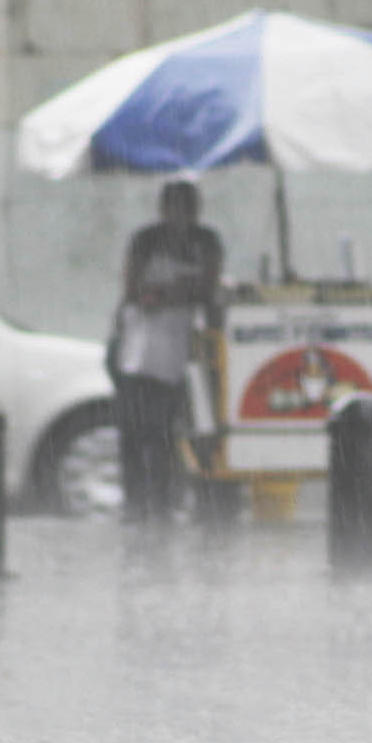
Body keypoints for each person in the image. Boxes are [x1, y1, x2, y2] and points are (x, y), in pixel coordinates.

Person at [111, 180, 223, 523]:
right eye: (172, 208)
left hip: (179, 347)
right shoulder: (145, 239)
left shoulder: (205, 241)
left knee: (167, 428)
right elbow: (135, 288)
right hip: (137, 345)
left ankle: (165, 498)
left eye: (186, 208)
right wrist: (163, 293)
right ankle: (135, 500)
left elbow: (206, 287)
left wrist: (172, 294)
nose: (178, 216)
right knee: (133, 428)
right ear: (163, 209)